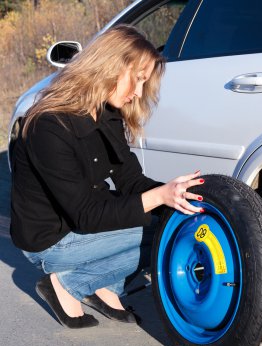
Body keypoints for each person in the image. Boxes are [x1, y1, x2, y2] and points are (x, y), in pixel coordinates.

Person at [10, 25, 204, 329]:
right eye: (138, 79)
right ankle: (67, 284)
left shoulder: (106, 114)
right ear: (111, 66)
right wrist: (157, 199)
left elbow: (131, 182)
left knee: (168, 221)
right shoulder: (48, 126)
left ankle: (106, 286)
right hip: (50, 240)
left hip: (82, 222)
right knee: (159, 235)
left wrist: (175, 195)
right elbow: (86, 215)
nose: (139, 92)